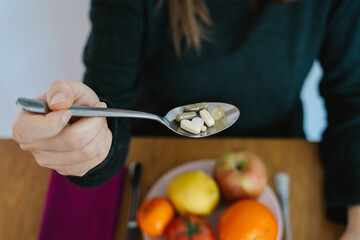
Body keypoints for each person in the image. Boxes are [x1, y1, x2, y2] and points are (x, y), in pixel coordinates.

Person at [12, 0, 360, 238]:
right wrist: (89, 144)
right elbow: (109, 101)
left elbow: (353, 101)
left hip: (280, 154)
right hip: (151, 155)